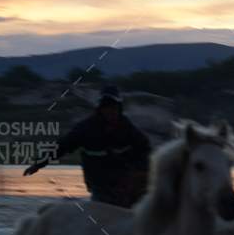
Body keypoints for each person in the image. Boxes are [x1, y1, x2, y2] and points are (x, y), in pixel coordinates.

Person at [24, 85, 152, 206]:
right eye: (106, 107)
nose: (110, 111)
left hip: (124, 181)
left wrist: (138, 171)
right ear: (100, 109)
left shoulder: (127, 128)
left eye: (114, 107)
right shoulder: (86, 129)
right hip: (99, 183)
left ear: (119, 108)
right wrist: (38, 164)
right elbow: (62, 146)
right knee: (103, 208)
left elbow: (145, 148)